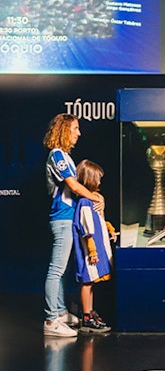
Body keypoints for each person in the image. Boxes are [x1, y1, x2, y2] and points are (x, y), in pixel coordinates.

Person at [42, 113, 102, 337]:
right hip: (62, 219)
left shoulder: (65, 156)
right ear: (64, 130)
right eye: (75, 128)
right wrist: (96, 197)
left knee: (62, 270)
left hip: (69, 219)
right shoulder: (57, 155)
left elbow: (78, 187)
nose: (79, 132)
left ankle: (59, 312)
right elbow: (73, 186)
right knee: (56, 270)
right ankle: (50, 321)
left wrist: (96, 196)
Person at [72, 160, 115, 334]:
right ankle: (86, 317)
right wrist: (92, 251)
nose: (99, 182)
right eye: (97, 178)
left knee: (90, 283)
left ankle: (89, 313)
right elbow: (87, 230)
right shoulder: (85, 202)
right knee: (87, 282)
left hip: (94, 250)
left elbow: (99, 221)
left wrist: (110, 229)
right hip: (90, 252)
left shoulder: (93, 200)